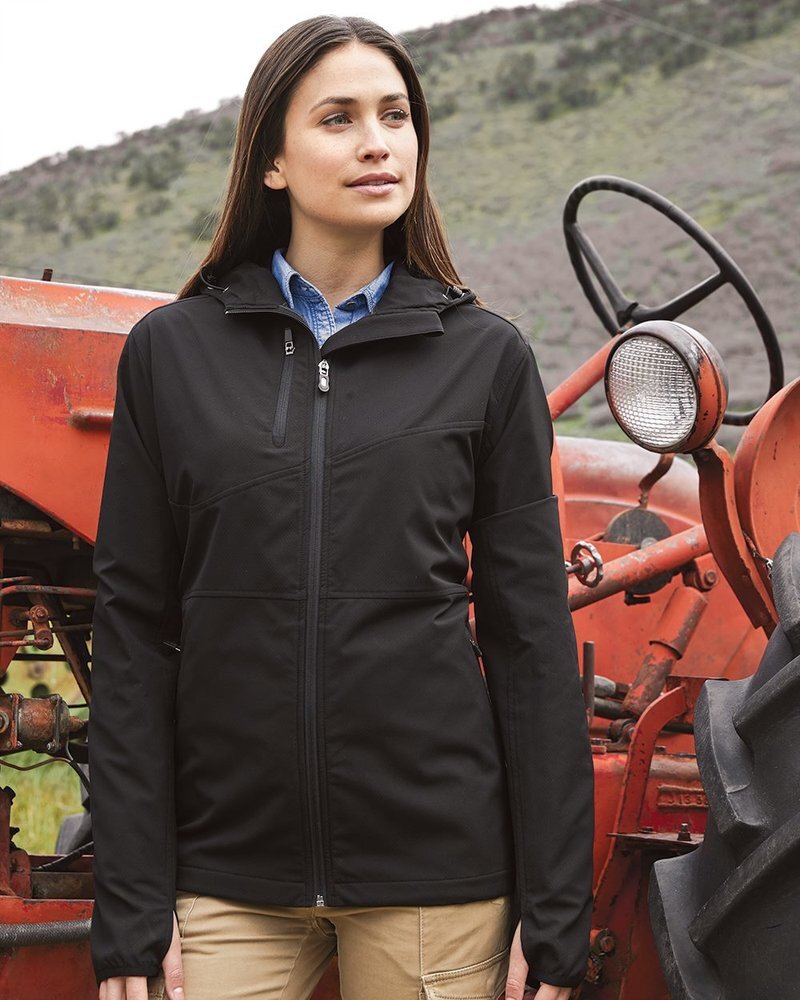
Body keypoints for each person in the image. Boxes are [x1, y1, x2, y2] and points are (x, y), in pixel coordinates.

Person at [88, 15, 594, 1000]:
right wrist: (133, 906)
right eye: (338, 118)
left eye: (395, 116)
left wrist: (556, 910)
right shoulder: (171, 352)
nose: (377, 143)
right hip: (225, 878)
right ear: (271, 162)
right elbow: (135, 632)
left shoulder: (486, 357)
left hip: (437, 879)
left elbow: (531, 642)